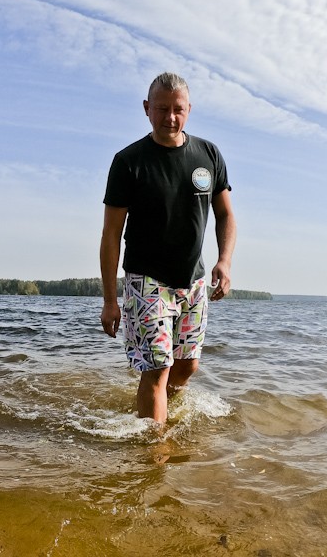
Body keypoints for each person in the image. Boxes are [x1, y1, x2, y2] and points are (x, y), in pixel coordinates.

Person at [100, 72, 236, 424]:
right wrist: (110, 300)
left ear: (189, 109)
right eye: (161, 109)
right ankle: (154, 454)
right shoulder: (129, 161)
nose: (170, 118)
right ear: (147, 109)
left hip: (192, 281)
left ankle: (154, 411)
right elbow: (111, 234)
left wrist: (224, 261)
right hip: (146, 281)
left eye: (178, 109)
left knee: (187, 367)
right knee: (158, 369)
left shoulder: (209, 155)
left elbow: (225, 216)